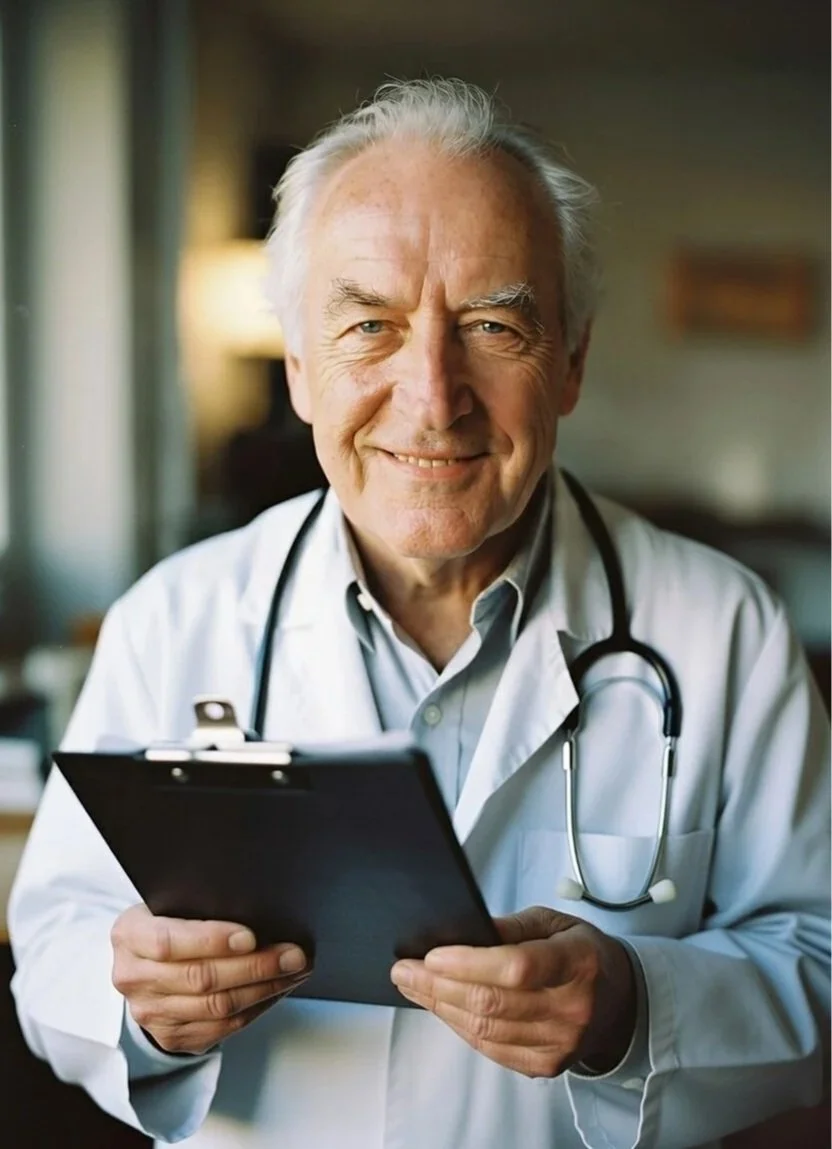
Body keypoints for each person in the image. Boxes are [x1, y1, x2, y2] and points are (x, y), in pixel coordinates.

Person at [9, 78, 829, 1149]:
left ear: (571, 362)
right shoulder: (177, 615)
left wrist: (633, 1004)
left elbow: (818, 962)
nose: (433, 396)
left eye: (493, 326)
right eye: (369, 328)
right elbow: (55, 943)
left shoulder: (724, 630)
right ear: (298, 366)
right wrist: (140, 1006)